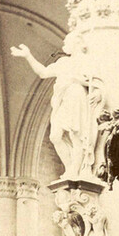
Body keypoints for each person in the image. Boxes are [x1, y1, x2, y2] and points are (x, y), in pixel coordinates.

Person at [11, 32, 104, 179]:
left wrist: (98, 93)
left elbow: (97, 82)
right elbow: (43, 72)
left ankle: (74, 172)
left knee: (76, 135)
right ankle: (70, 168)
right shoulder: (63, 62)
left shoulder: (87, 61)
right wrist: (28, 55)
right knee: (55, 136)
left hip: (76, 95)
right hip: (62, 99)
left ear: (77, 43)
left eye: (67, 42)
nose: (65, 45)